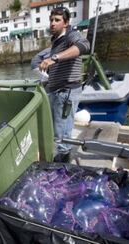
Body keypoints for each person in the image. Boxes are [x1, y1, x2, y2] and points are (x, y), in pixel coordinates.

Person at [37, 7, 90, 163]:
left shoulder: (71, 35)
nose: (53, 23)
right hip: (54, 90)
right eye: (51, 20)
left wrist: (54, 58)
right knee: (55, 132)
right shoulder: (56, 40)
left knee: (62, 136)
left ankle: (62, 169)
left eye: (57, 20)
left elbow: (84, 45)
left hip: (65, 92)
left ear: (66, 23)